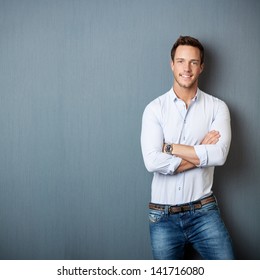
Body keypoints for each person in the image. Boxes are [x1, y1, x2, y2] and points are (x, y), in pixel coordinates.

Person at [141, 36, 234, 260]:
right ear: (172, 64)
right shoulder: (155, 109)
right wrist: (201, 150)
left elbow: (219, 155)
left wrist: (170, 148)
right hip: (162, 216)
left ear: (201, 67)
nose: (187, 68)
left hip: (204, 212)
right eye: (181, 61)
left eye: (193, 62)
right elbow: (152, 162)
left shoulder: (217, 108)